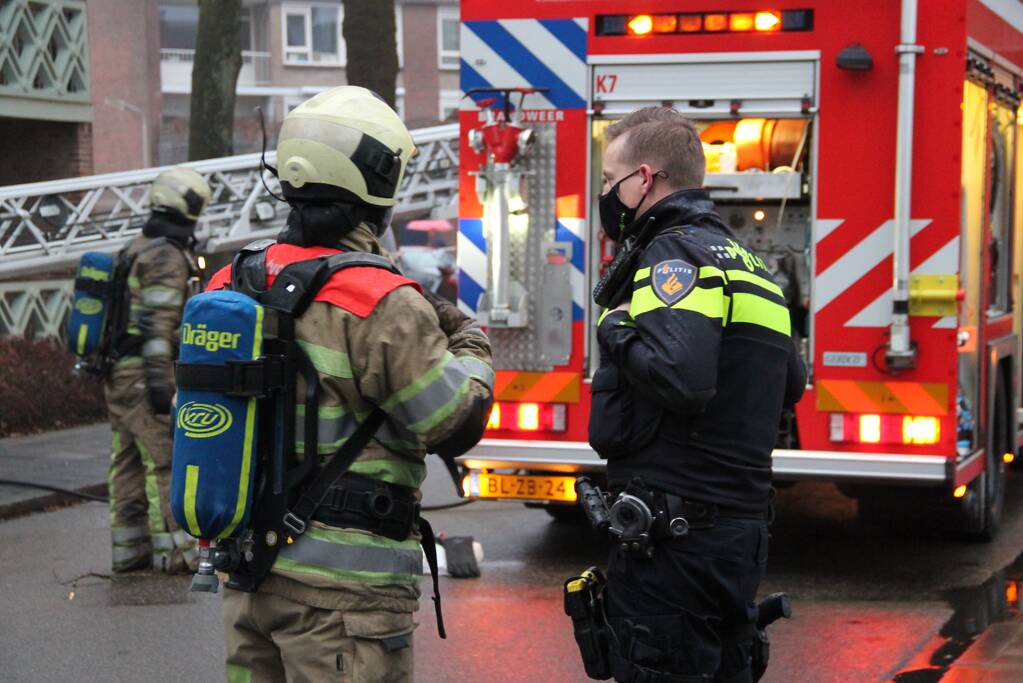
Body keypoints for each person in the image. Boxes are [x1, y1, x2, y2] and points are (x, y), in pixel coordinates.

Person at [205, 86, 494, 683]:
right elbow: (455, 423)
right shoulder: (381, 304)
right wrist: (470, 341)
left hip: (248, 584)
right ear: (376, 187)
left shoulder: (230, 282)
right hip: (343, 607)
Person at [588, 107, 806, 682]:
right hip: (739, 535)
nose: (607, 193)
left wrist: (616, 330)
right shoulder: (752, 266)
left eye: (610, 181)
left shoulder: (673, 256)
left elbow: (682, 379)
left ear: (645, 177)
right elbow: (792, 384)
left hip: (676, 541)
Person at [107, 166, 210, 574]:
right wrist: (159, 385)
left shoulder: (137, 246)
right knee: (164, 459)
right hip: (143, 373)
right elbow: (158, 325)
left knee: (127, 458)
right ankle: (177, 553)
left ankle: (129, 550)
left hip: (118, 373)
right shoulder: (167, 254)